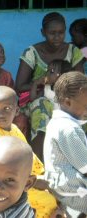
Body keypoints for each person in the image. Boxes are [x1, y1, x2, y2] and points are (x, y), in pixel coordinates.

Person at [0, 86, 64, 218]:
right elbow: (2, 170)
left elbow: (28, 155)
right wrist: (36, 182)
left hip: (28, 178)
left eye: (6, 109)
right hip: (11, 185)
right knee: (47, 202)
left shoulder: (14, 129)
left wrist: (42, 175)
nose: (0, 114)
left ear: (17, 110)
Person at [15, 12, 85, 161]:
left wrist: (62, 84)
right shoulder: (32, 53)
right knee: (42, 107)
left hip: (66, 99)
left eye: (61, 33)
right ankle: (38, 165)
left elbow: (80, 82)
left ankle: (80, 161)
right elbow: (19, 86)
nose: (57, 37)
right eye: (52, 33)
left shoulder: (73, 52)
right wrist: (44, 80)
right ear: (43, 32)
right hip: (38, 98)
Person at [44, 71, 87, 217]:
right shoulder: (68, 129)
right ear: (67, 102)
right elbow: (85, 166)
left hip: (64, 188)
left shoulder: (56, 123)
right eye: (86, 105)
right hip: (73, 191)